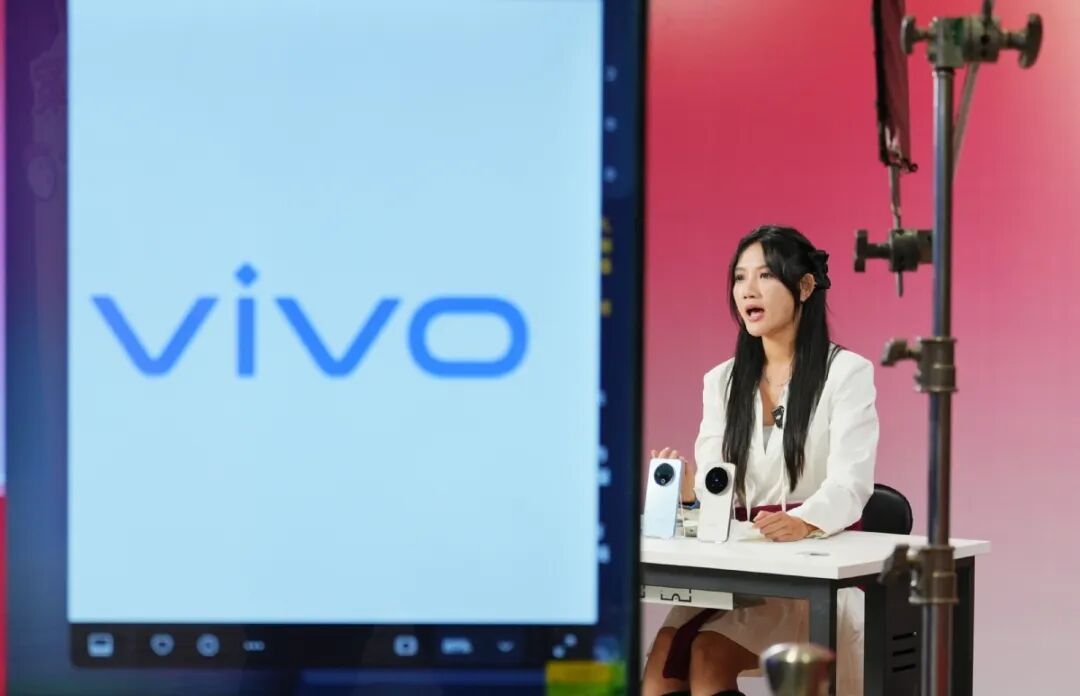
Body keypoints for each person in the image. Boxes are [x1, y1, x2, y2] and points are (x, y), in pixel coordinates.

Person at [642, 225, 879, 696]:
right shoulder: (721, 381)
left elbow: (850, 483)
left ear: (804, 286)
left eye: (765, 275)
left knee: (708, 656)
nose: (747, 290)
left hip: (807, 570)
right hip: (739, 564)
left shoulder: (846, 373)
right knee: (660, 668)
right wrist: (691, 496)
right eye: (739, 277)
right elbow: (716, 487)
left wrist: (805, 520)